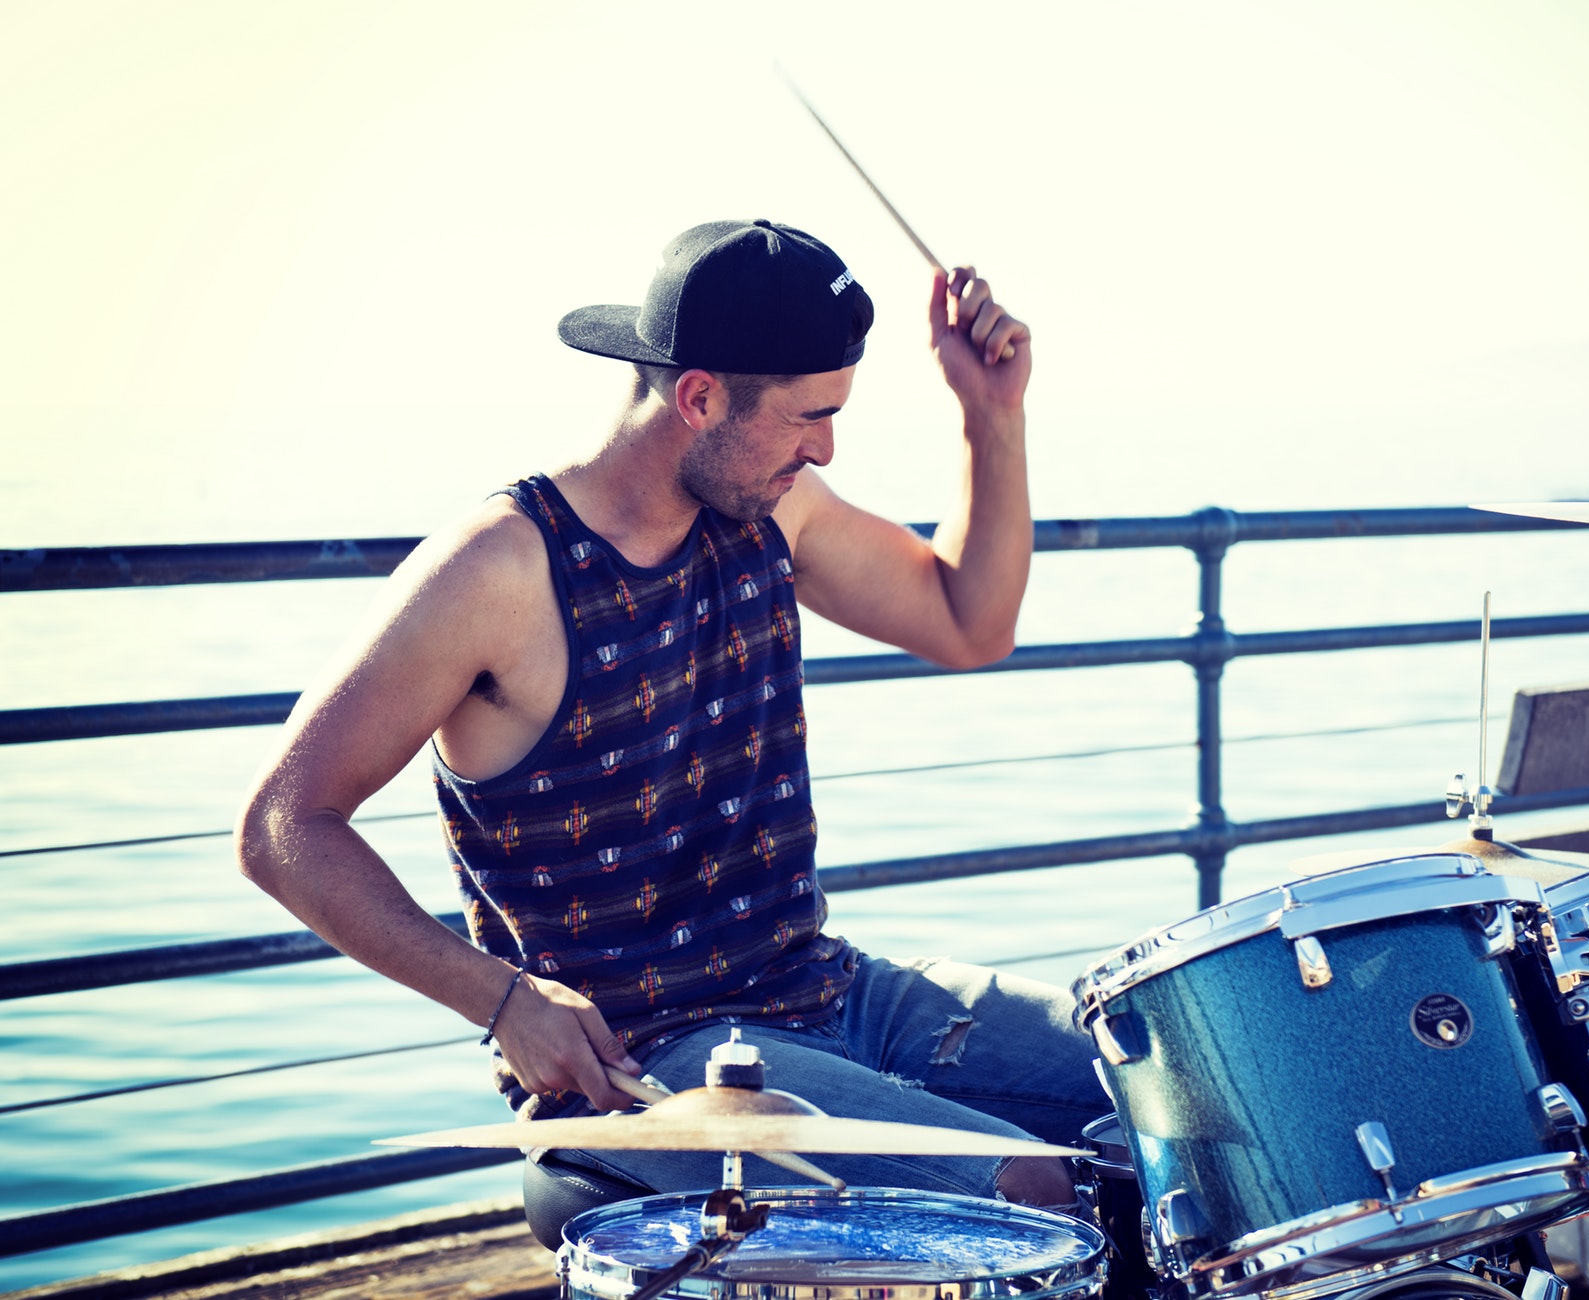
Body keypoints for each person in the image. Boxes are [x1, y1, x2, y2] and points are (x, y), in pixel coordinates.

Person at [236, 219, 1103, 1209]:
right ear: (698, 397)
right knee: (1027, 1189)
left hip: (834, 991)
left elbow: (968, 620)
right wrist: (506, 1000)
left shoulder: (775, 507)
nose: (825, 446)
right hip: (649, 1059)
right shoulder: (500, 570)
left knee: (1184, 1073)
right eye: (806, 417)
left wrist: (992, 416)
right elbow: (281, 825)